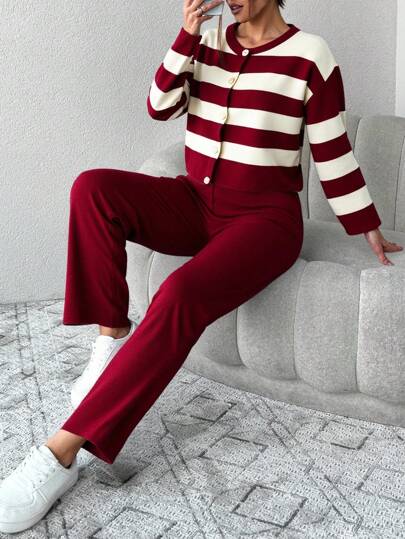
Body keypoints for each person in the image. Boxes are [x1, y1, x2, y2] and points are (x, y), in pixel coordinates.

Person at [0, 0, 402, 533]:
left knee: (180, 292)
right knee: (93, 188)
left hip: (265, 220)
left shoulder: (310, 55)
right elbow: (158, 107)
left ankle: (59, 456)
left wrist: (366, 224)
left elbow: (332, 151)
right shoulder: (208, 42)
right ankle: (110, 338)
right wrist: (186, 36)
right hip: (194, 200)